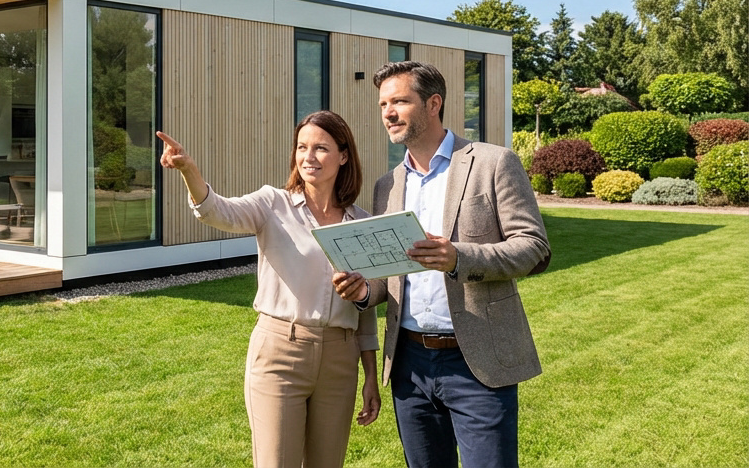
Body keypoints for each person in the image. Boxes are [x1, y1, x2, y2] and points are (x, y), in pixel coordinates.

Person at [332, 61, 550, 468]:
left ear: (434, 103)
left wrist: (458, 257)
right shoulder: (388, 185)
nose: (388, 113)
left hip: (477, 361)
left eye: (399, 101)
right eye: (383, 104)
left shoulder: (493, 163)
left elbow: (534, 247)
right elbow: (393, 276)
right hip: (409, 365)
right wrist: (365, 290)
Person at [157, 110, 380, 468]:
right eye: (302, 147)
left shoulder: (362, 222)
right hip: (280, 353)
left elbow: (364, 308)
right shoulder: (272, 204)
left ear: (343, 156)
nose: (309, 157)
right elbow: (218, 211)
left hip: (340, 359)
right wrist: (189, 171)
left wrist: (370, 376)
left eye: (321, 148)